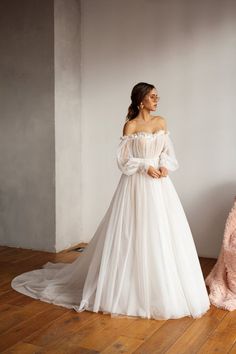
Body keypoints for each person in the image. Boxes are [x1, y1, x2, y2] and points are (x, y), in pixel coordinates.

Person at [11, 82, 211, 320]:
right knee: (132, 232)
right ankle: (127, 287)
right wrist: (145, 166)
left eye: (158, 96)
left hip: (160, 187)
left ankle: (163, 287)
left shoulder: (161, 122)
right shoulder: (131, 125)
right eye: (152, 96)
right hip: (136, 186)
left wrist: (164, 165)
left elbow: (168, 152)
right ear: (140, 100)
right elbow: (123, 161)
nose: (157, 100)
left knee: (162, 232)